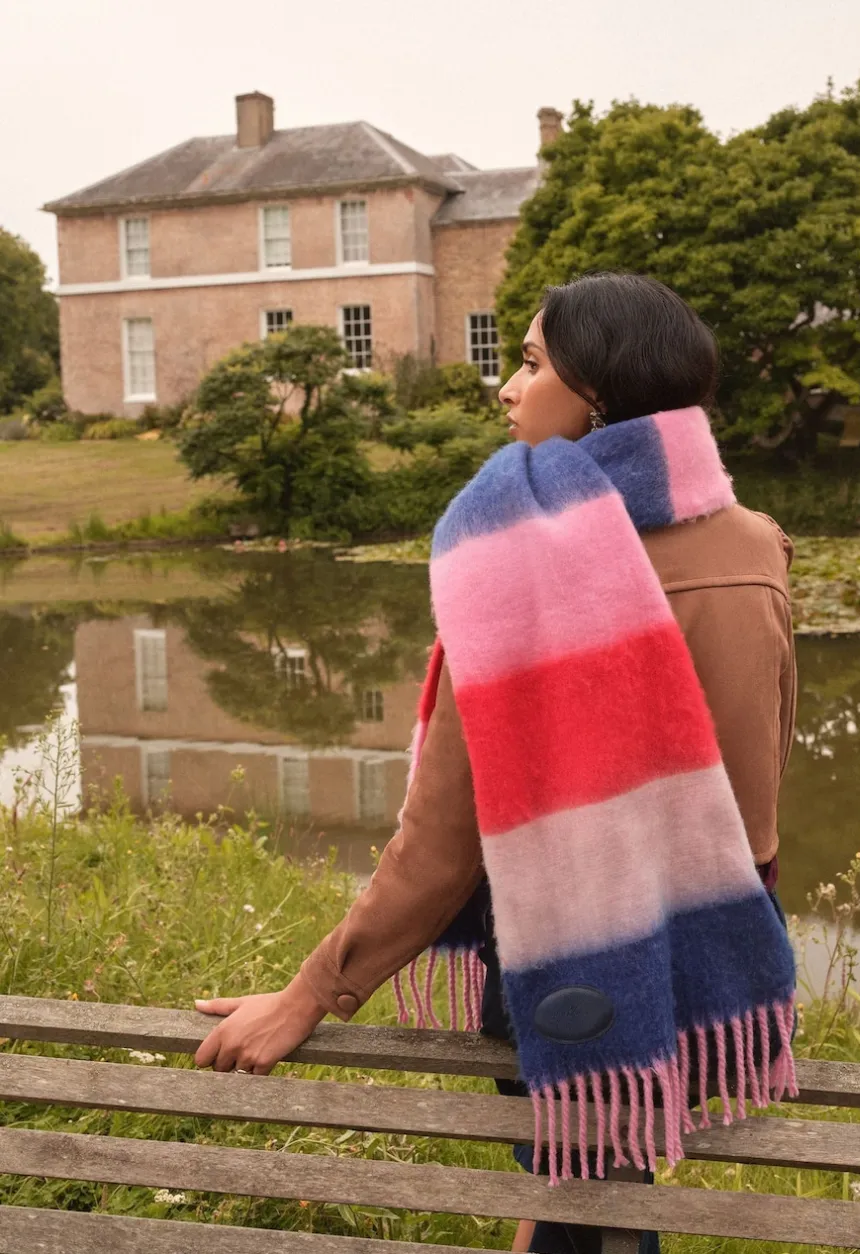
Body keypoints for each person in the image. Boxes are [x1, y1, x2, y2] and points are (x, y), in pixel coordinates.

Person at [194, 273, 797, 1254]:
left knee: (580, 1196)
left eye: (530, 364)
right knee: (593, 1192)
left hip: (569, 948)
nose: (506, 389)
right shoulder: (755, 545)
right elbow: (761, 775)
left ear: (596, 394)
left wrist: (307, 997)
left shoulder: (518, 555)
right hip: (720, 942)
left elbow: (443, 846)